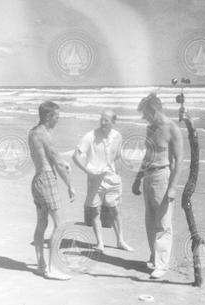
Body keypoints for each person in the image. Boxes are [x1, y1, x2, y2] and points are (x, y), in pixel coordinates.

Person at [132, 93, 184, 279]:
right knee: (150, 221)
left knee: (163, 223)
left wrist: (172, 187)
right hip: (148, 176)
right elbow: (147, 156)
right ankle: (154, 257)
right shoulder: (150, 128)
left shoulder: (172, 128)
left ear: (154, 110)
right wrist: (137, 178)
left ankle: (162, 265)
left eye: (146, 114)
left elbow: (179, 161)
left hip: (163, 176)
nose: (144, 118)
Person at [73, 109, 133, 253]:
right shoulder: (90, 136)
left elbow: (117, 156)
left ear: (113, 122)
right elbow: (76, 156)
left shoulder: (118, 136)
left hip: (112, 179)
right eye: (101, 119)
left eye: (106, 120)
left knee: (115, 210)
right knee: (95, 211)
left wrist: (117, 175)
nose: (103, 122)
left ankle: (120, 241)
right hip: (95, 179)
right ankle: (100, 243)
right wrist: (88, 171)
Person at [28, 101, 75, 280]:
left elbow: (46, 156)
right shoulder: (45, 135)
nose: (58, 119)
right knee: (60, 224)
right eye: (57, 116)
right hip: (47, 180)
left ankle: (42, 265)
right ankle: (52, 267)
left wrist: (63, 162)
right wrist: (70, 185)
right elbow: (55, 161)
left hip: (37, 180)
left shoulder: (33, 132)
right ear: (48, 116)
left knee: (42, 224)